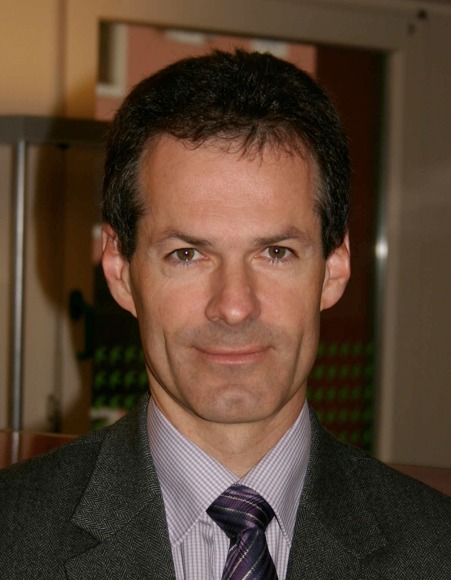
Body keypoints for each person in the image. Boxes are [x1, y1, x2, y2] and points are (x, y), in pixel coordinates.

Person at [1, 49, 450, 580]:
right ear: (120, 271)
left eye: (276, 252)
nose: (235, 307)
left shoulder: (437, 549)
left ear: (334, 268)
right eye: (187, 254)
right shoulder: (12, 538)